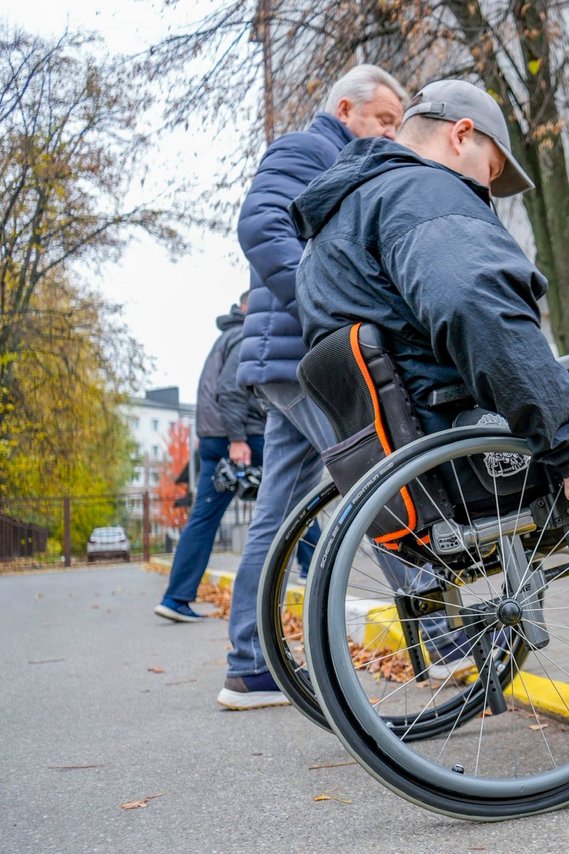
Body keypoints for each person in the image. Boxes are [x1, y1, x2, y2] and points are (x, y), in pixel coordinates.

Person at [292, 79, 569, 527]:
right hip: (468, 465)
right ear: (461, 134)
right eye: (489, 172)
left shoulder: (336, 224)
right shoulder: (425, 195)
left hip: (402, 475)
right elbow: (483, 315)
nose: (484, 194)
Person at [218, 65, 408, 711]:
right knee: (378, 476)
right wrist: (328, 309)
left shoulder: (345, 162)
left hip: (291, 358)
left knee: (276, 518)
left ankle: (248, 666)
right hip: (307, 357)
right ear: (347, 108)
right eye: (384, 120)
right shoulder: (307, 149)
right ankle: (441, 633)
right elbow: (262, 228)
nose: (391, 133)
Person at [155, 292, 265, 622]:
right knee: (288, 496)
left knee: (202, 519)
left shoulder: (226, 337)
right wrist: (237, 439)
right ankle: (311, 565)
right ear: (246, 307)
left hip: (214, 440)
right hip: (238, 437)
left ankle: (176, 598)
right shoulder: (243, 334)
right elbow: (230, 390)